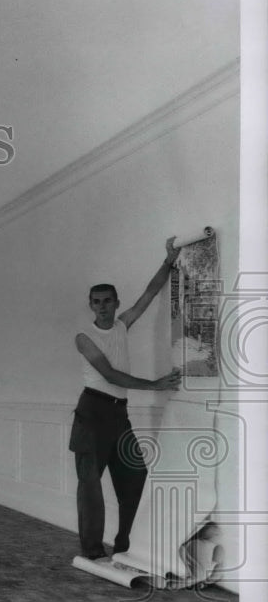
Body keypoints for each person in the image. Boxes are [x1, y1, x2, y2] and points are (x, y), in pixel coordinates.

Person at [69, 236, 183, 560]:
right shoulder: (84, 337)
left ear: (117, 303)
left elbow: (148, 295)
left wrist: (168, 261)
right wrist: (156, 384)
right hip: (91, 414)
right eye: (97, 302)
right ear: (90, 305)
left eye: (108, 301)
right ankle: (92, 552)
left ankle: (125, 546)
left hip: (120, 416)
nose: (103, 306)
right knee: (90, 489)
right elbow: (110, 375)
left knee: (135, 481)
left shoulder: (121, 325)